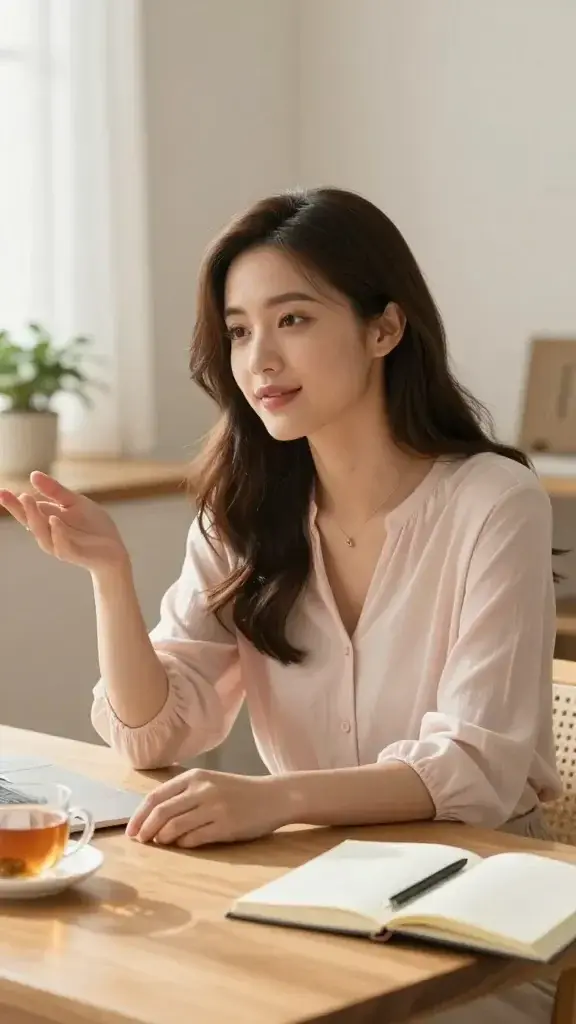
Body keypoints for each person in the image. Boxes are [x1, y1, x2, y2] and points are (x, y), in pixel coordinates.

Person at [0, 187, 561, 1023]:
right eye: (237, 330)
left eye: (291, 319)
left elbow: (475, 770)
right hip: (302, 897)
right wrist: (109, 575)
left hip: (475, 923)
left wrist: (274, 798)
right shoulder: (244, 505)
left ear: (384, 328)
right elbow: (158, 733)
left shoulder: (494, 501)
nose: (258, 358)